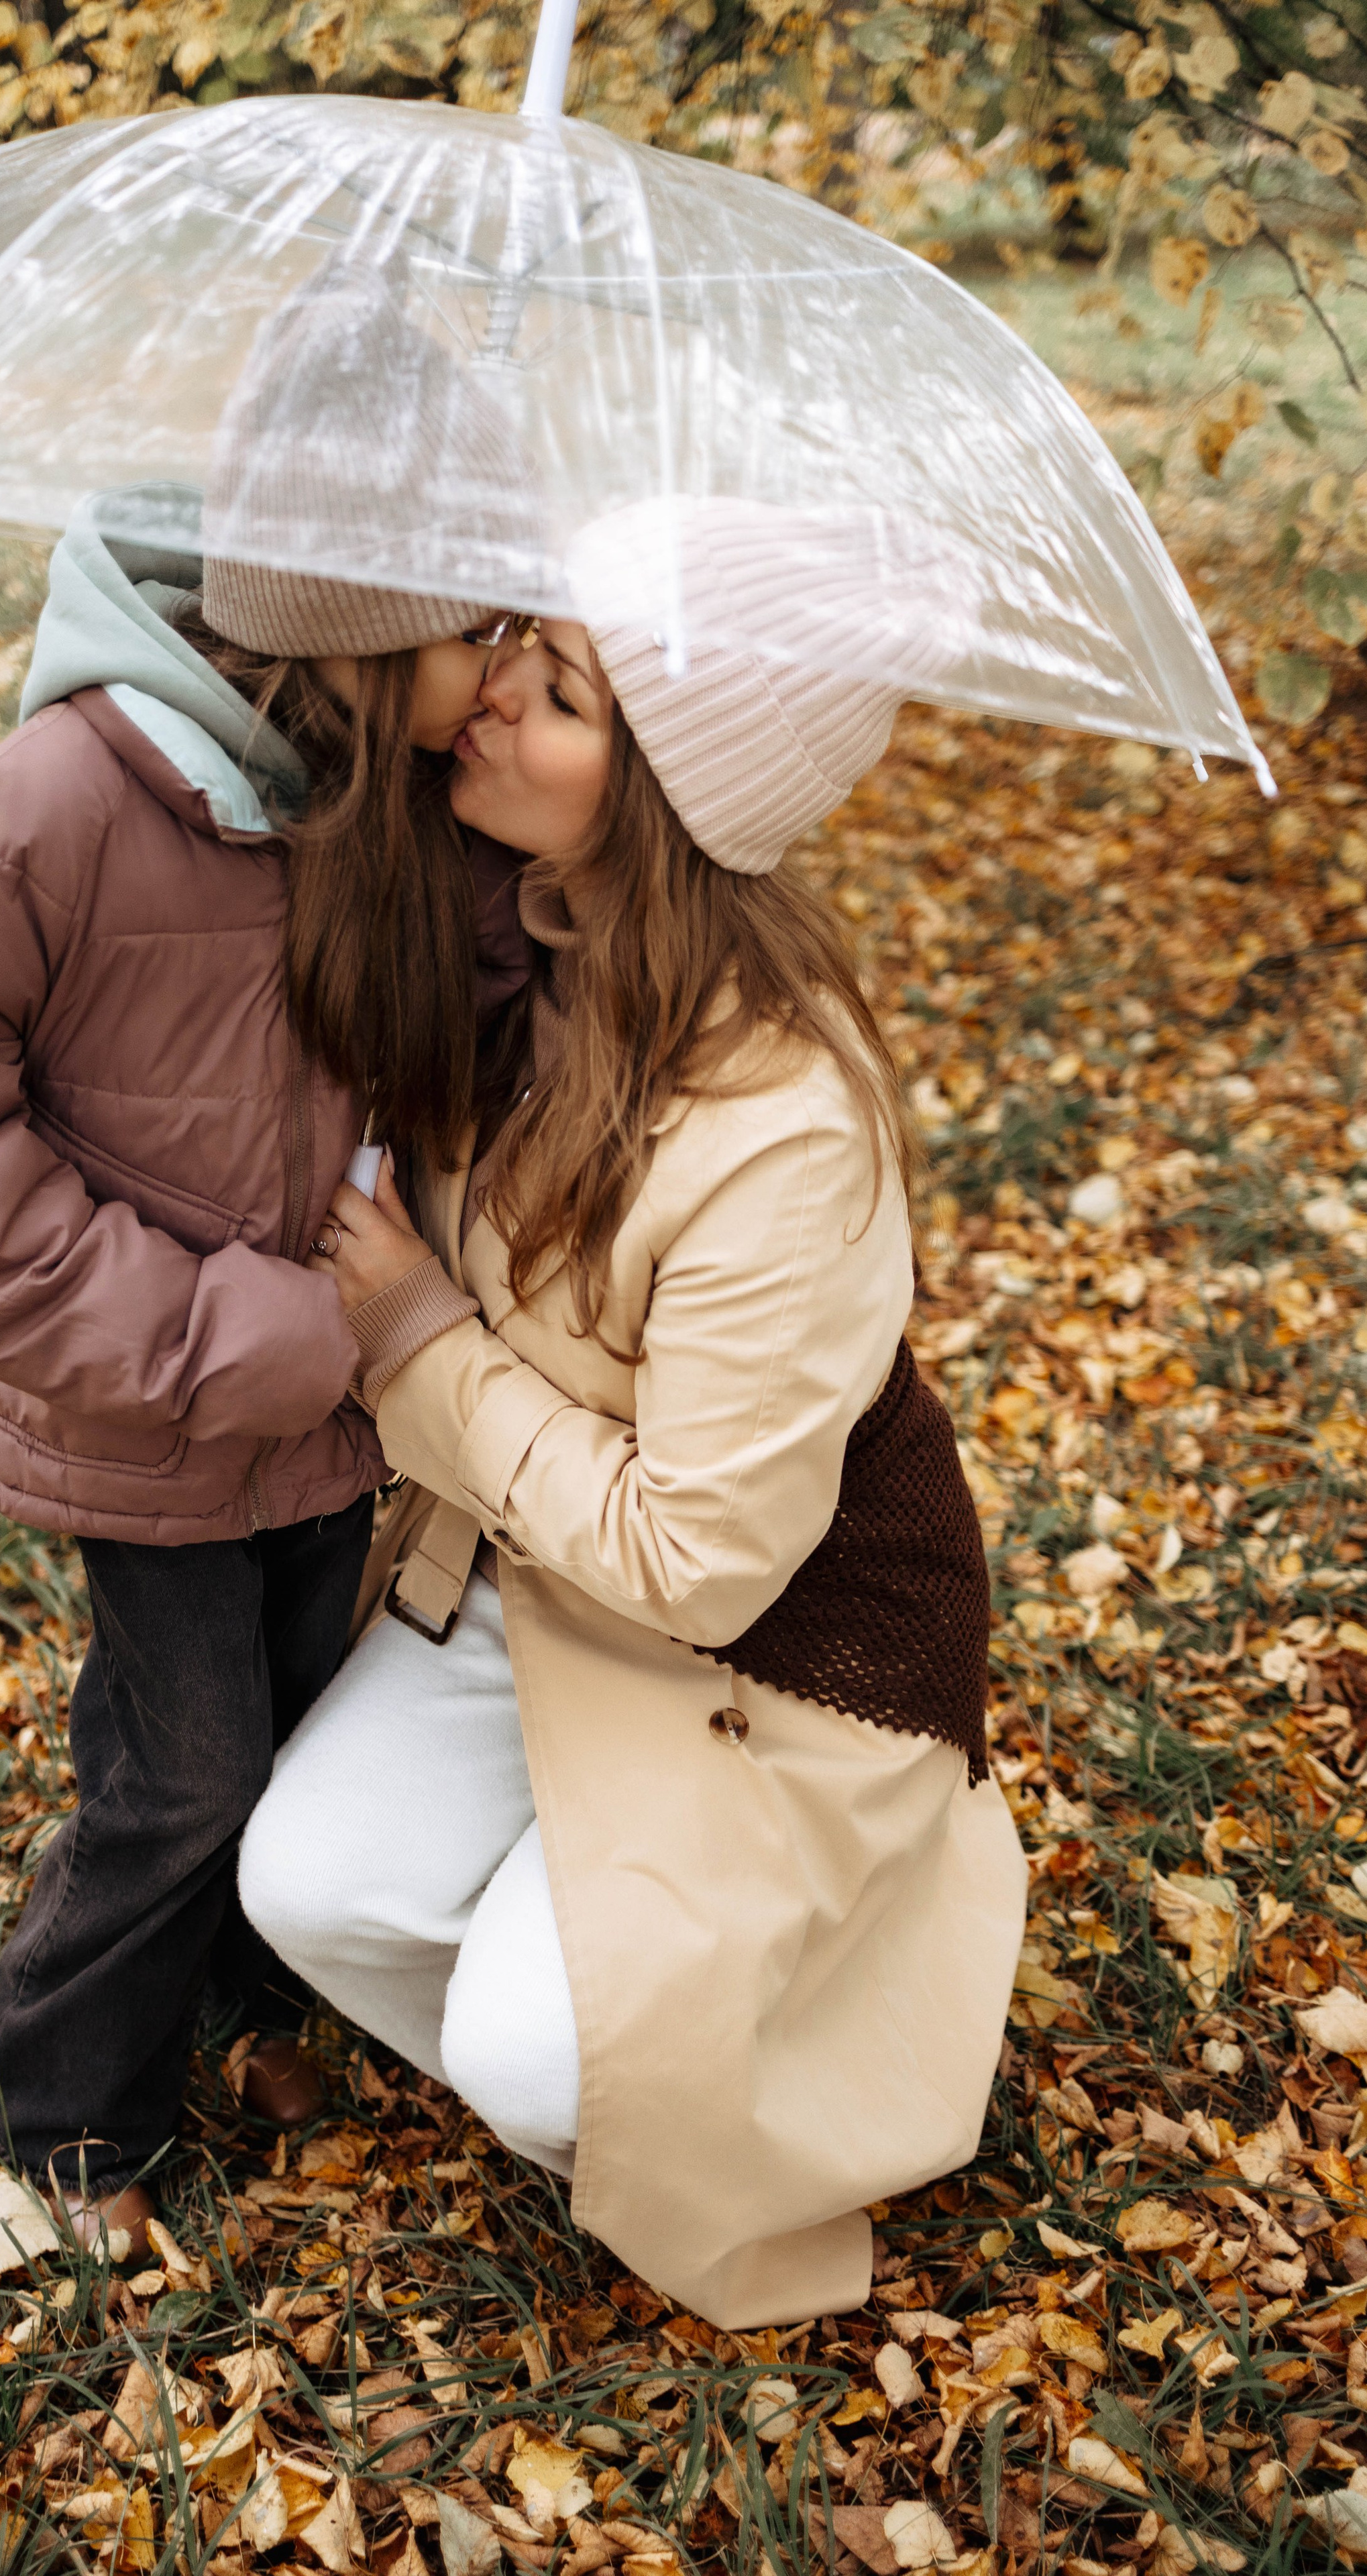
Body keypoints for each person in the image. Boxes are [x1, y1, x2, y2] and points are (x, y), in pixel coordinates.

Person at [0, 263, 539, 2259]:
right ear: (351, 627)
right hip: (153, 1407)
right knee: (183, 1763)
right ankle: (65, 2123)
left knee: (301, 1727)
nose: (496, 671)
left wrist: (555, 900)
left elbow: (478, 1027)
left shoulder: (401, 804)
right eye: (469, 629)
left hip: (338, 1396)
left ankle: (242, 2014)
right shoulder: (63, 802)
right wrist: (228, 1331)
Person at [237, 496, 1029, 2329]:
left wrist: (424, 1340)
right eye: (519, 643)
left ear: (664, 795)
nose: (490, 695)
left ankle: (843, 1962)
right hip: (527, 1579)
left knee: (529, 2063)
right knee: (306, 1884)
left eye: (562, 688)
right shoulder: (512, 937)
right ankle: (616, 1949)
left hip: (778, 1659)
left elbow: (702, 1559)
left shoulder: (788, 1124)